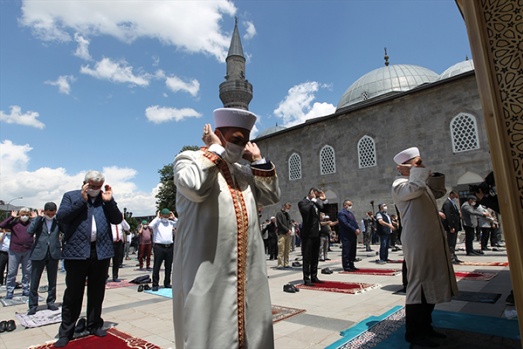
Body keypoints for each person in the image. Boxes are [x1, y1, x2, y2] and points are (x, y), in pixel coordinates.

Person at [172, 107, 280, 349]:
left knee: (253, 331)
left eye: (245, 143)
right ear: (218, 135)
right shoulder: (190, 160)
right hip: (207, 270)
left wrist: (257, 161)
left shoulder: (243, 173)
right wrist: (215, 150)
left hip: (248, 273)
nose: (240, 148)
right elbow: (195, 188)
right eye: (235, 140)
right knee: (208, 332)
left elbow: (272, 196)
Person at [391, 147, 458, 348]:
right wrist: (415, 172)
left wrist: (429, 173)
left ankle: (426, 326)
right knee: (419, 285)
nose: (420, 166)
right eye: (416, 163)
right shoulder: (400, 184)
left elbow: (436, 191)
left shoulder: (418, 181)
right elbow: (416, 189)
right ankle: (414, 333)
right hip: (418, 240)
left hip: (431, 239)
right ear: (402, 167)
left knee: (431, 282)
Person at [54, 170, 123, 348]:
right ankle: (66, 331)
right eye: (91, 186)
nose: (94, 189)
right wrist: (82, 200)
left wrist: (110, 202)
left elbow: (116, 220)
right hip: (76, 253)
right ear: (84, 183)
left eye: (97, 187)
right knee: (73, 293)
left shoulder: (104, 200)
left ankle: (94, 325)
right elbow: (62, 217)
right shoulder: (71, 196)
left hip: (100, 252)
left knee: (97, 291)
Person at [26, 203, 62, 315]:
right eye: (48, 214)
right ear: (44, 212)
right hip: (39, 253)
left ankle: (51, 301)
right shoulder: (39, 221)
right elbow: (30, 231)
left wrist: (60, 219)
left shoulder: (57, 221)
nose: (50, 216)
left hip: (53, 253)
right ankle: (33, 305)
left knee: (52, 280)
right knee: (35, 280)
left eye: (53, 213)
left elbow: (65, 231)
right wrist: (38, 218)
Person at [0, 208, 33, 299]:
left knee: (27, 272)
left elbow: (39, 226)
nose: (24, 216)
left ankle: (26, 288)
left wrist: (34, 218)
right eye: (23, 214)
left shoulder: (31, 224)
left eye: (26, 214)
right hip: (14, 251)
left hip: (28, 250)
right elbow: (2, 225)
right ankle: (10, 290)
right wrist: (11, 217)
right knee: (12, 271)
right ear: (19, 215)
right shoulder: (14, 223)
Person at [298, 187, 327, 286]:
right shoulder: (303, 202)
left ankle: (314, 276)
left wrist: (324, 200)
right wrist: (313, 200)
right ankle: (306, 278)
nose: (317, 196)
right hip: (308, 234)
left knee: (315, 256)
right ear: (311, 193)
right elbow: (306, 212)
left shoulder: (315, 203)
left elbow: (323, 208)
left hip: (316, 233)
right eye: (316, 193)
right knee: (307, 256)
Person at [149, 208, 177, 292]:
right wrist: (158, 217)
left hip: (169, 246)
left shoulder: (171, 223)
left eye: (167, 215)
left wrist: (174, 217)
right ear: (161, 215)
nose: (166, 217)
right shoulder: (157, 223)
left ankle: (167, 283)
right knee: (157, 266)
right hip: (159, 247)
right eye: (164, 215)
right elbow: (150, 225)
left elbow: (180, 224)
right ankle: (155, 284)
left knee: (168, 266)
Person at [337, 200, 360, 271]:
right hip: (346, 235)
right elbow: (345, 223)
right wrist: (354, 229)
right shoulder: (341, 213)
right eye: (349, 205)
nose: (350, 207)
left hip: (353, 234)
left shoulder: (350, 213)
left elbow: (354, 222)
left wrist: (357, 228)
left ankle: (351, 264)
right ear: (345, 205)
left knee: (352, 250)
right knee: (346, 251)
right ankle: (346, 266)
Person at [441, 191, 462, 263]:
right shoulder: (447, 203)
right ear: (451, 194)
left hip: (455, 225)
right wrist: (450, 226)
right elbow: (448, 215)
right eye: (455, 195)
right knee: (450, 242)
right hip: (451, 226)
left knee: (453, 242)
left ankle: (453, 255)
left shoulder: (452, 203)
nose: (456, 197)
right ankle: (450, 257)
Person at [109, 214, 130, 282]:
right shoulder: (110, 221)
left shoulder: (121, 222)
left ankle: (115, 276)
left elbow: (127, 228)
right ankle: (105, 276)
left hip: (119, 243)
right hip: (110, 242)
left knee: (116, 260)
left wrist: (123, 220)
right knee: (107, 261)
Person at [276, 202, 292, 269]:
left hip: (288, 234)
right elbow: (280, 224)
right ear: (284, 206)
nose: (288, 209)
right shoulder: (279, 214)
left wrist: (290, 229)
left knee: (287, 249)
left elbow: (290, 223)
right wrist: (287, 230)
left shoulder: (287, 214)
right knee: (281, 249)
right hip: (282, 234)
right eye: (288, 208)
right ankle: (280, 264)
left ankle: (286, 263)